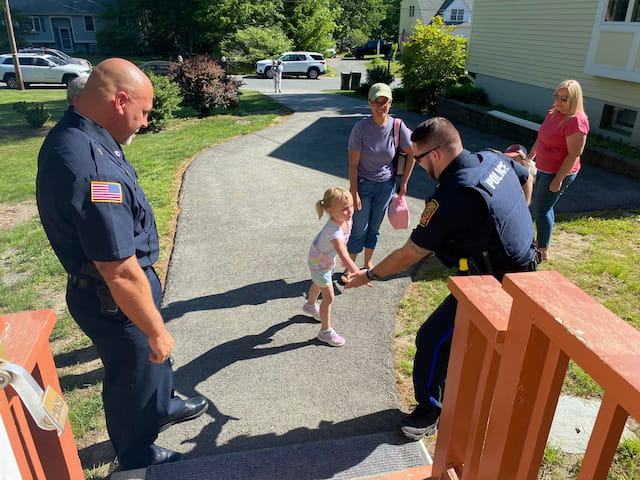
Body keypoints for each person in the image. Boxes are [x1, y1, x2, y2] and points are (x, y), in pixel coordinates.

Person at [36, 58, 208, 470]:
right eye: (143, 112)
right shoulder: (92, 169)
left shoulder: (86, 136)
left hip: (121, 288)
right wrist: (155, 329)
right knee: (133, 372)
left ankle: (162, 404)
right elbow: (117, 268)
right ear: (121, 100)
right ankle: (136, 451)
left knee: (150, 366)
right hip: (113, 295)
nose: (145, 122)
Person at [345, 117, 537, 440]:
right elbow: (527, 174)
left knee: (431, 338)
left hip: (494, 284)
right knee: (471, 343)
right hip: (524, 267)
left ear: (434, 154)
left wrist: (370, 274)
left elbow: (412, 252)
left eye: (416, 159)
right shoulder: (491, 159)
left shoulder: (453, 195)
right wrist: (519, 215)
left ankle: (429, 410)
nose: (416, 166)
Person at [343, 83, 415, 283]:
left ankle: (368, 264)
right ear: (369, 103)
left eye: (384, 102)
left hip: (386, 186)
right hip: (364, 185)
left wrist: (405, 182)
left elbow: (412, 154)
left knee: (375, 227)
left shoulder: (397, 126)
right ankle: (350, 268)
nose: (380, 106)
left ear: (391, 103)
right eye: (376, 102)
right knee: (359, 228)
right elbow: (353, 163)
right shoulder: (360, 129)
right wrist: (354, 192)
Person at [527, 79, 589, 260]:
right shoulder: (553, 111)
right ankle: (544, 243)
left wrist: (558, 179)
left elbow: (574, 154)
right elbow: (542, 136)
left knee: (540, 209)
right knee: (546, 205)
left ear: (575, 100)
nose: (558, 102)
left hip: (558, 171)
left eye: (564, 99)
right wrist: (532, 154)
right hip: (544, 167)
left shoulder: (576, 122)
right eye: (557, 96)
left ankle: (542, 250)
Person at [303, 187, 363, 346]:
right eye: (344, 209)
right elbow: (344, 254)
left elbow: (343, 245)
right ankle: (325, 332)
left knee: (318, 283)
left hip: (322, 259)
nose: (350, 211)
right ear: (330, 211)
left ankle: (310, 306)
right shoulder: (333, 232)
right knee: (329, 297)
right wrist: (359, 274)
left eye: (350, 206)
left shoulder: (346, 220)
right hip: (319, 264)